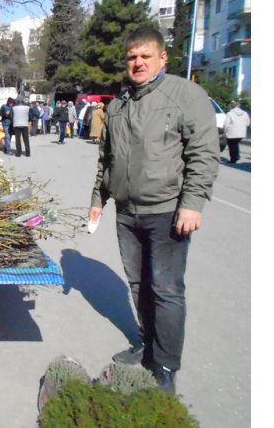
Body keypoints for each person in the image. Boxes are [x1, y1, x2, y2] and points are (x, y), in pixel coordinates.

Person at [88, 26, 219, 394]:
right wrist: (99, 199)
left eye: (146, 55)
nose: (138, 62)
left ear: (163, 58)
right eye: (132, 57)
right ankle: (147, 345)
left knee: (166, 289)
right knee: (138, 284)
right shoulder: (118, 103)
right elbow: (106, 159)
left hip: (167, 211)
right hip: (128, 213)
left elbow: (203, 153)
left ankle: (165, 366)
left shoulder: (186, 95)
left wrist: (192, 203)